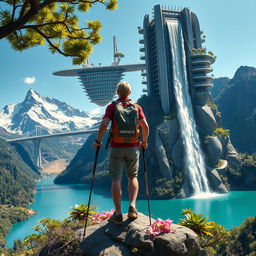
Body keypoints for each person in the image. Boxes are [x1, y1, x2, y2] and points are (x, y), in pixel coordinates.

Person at [93, 81, 149, 224]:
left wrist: (98, 141)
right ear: (129, 93)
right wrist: (144, 141)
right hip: (133, 147)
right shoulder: (137, 107)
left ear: (117, 92)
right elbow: (145, 126)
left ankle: (118, 214)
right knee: (133, 177)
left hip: (116, 147)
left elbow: (104, 124)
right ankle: (132, 206)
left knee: (116, 179)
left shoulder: (112, 107)